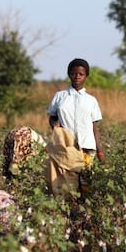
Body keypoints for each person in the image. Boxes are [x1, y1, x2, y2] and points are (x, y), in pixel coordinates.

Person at [46, 58, 105, 194]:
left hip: (86, 148)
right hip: (67, 147)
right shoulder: (60, 96)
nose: (77, 77)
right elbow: (52, 117)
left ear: (86, 76)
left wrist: (100, 150)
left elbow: (94, 127)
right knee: (67, 183)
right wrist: (54, 124)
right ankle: (70, 211)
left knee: (86, 184)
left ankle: (84, 212)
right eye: (73, 73)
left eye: (81, 74)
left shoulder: (91, 101)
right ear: (69, 74)